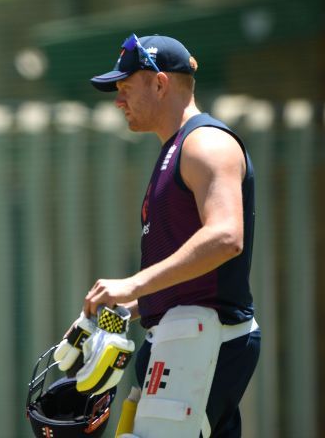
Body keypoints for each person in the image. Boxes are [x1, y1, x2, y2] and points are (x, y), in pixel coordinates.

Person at [81, 33, 260, 437]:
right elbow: (192, 271)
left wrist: (134, 283)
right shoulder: (176, 148)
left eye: (126, 87)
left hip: (203, 340)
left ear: (160, 83)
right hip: (181, 339)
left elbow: (227, 236)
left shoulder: (205, 143)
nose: (117, 100)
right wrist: (133, 305)